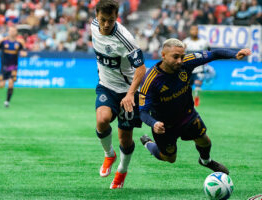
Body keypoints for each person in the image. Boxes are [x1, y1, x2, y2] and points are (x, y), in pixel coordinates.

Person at [139, 38, 251, 174]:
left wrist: (234, 54)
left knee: (205, 141)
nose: (180, 61)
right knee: (169, 158)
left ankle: (206, 161)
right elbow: (142, 112)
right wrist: (154, 123)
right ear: (163, 55)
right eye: (175, 57)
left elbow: (214, 54)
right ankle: (148, 144)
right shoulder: (150, 80)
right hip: (164, 126)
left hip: (187, 115)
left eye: (182, 56)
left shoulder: (187, 62)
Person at [91, 0, 146, 189]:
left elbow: (141, 69)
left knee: (125, 138)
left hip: (128, 91)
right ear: (96, 16)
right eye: (103, 20)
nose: (107, 24)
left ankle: (122, 170)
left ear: (117, 18)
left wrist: (131, 94)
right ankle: (109, 155)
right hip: (106, 86)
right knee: (102, 119)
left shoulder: (125, 39)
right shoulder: (93, 26)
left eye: (111, 20)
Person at [0, 26, 27, 107]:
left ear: (16, 32)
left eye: (14, 31)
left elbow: (24, 51)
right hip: (4, 66)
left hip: (13, 67)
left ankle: (7, 102)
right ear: (8, 32)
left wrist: (23, 54)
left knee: (11, 83)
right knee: (1, 86)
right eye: (11, 31)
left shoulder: (20, 42)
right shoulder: (3, 41)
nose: (12, 32)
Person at [183, 24, 212, 107]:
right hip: (188, 68)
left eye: (196, 30)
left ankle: (197, 100)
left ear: (198, 31)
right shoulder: (185, 42)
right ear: (190, 31)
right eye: (193, 30)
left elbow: (209, 51)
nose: (194, 31)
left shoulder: (204, 42)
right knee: (187, 87)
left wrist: (206, 59)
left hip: (199, 68)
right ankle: (188, 100)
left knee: (198, 85)